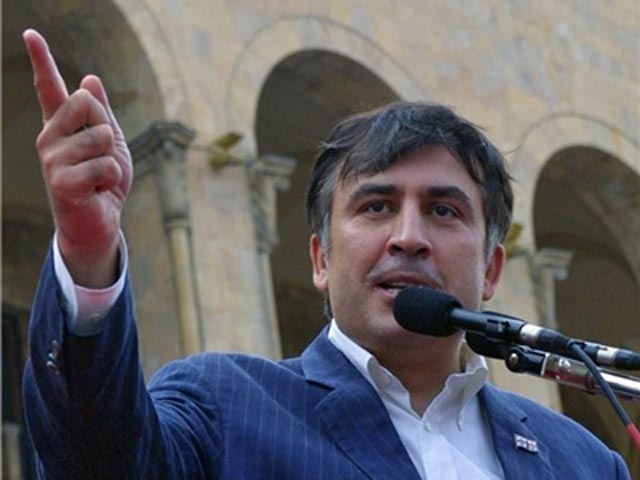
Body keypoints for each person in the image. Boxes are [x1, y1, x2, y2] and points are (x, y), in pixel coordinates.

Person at [21, 28, 630, 479]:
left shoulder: (581, 460)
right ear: (320, 258)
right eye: (376, 206)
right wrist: (86, 254)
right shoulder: (224, 405)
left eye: (444, 211)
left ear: (492, 269)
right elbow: (97, 461)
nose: (409, 236)